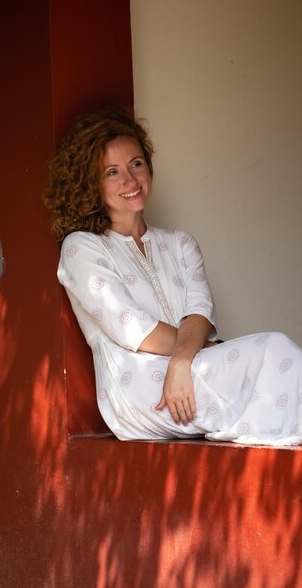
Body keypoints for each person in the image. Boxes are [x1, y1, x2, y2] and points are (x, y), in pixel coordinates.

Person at [44, 105, 302, 445]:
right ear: (90, 183)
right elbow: (130, 327)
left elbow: (200, 313)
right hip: (141, 390)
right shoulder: (83, 249)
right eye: (112, 172)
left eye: (136, 164)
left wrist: (183, 361)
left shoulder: (180, 244)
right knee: (274, 349)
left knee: (275, 360)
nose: (130, 180)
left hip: (189, 369)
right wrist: (196, 355)